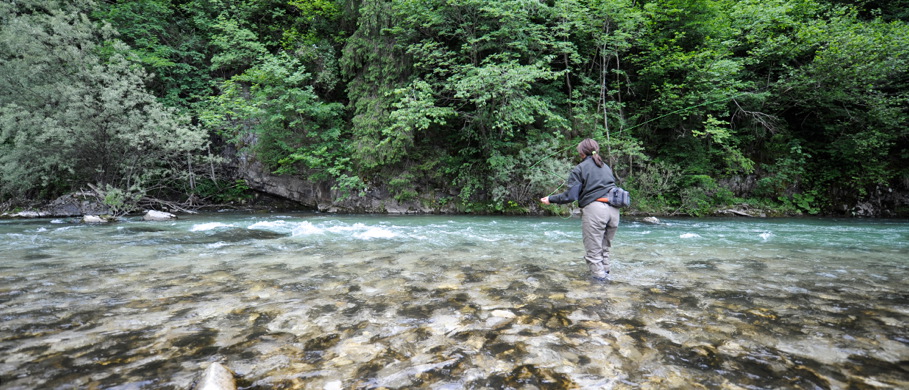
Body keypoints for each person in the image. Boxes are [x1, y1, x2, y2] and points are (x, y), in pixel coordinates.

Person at [540, 138, 619, 280]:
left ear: (581, 153)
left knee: (593, 253)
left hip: (596, 211)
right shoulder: (605, 167)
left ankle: (598, 289)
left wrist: (550, 199)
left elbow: (571, 196)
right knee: (604, 250)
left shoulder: (580, 168)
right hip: (614, 210)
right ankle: (606, 279)